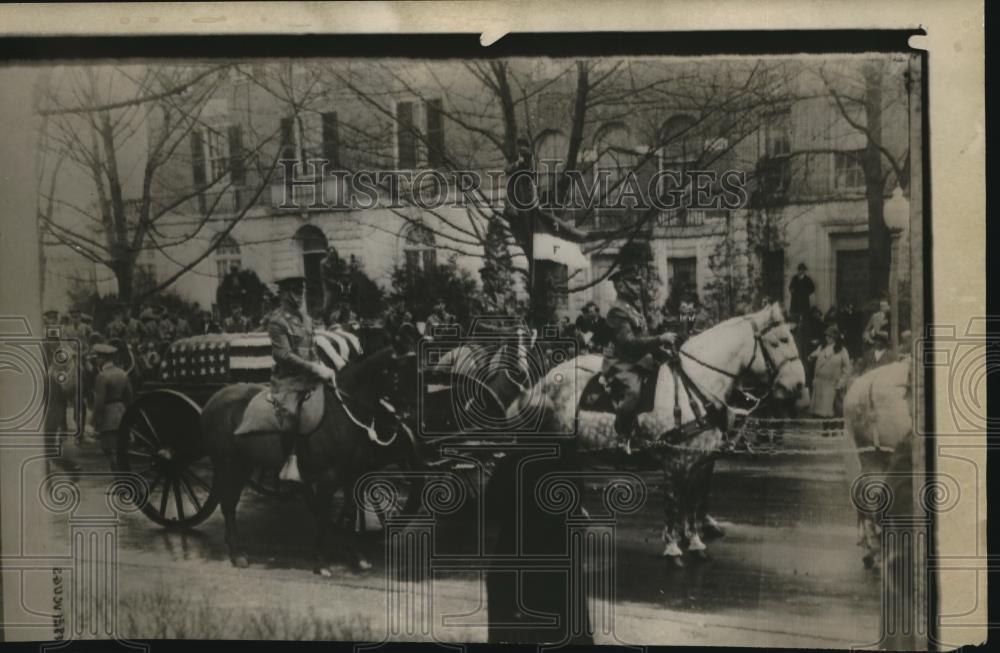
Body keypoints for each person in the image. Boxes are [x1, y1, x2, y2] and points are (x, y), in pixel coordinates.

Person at [602, 241, 677, 443]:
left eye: (637, 282)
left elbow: (644, 338)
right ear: (619, 285)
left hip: (639, 361)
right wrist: (660, 339)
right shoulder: (617, 310)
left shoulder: (634, 309)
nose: (636, 286)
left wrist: (663, 351)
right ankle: (622, 436)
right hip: (622, 364)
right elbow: (629, 343)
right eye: (631, 282)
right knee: (633, 393)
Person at [267, 274, 337, 483]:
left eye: (301, 291)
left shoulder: (306, 320)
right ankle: (291, 460)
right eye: (295, 291)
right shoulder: (277, 321)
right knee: (290, 414)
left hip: (311, 377)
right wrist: (313, 367)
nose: (299, 296)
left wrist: (322, 366)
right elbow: (284, 356)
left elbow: (312, 349)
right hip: (289, 380)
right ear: (285, 293)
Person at [91, 342, 133, 457]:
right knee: (121, 450)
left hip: (108, 416)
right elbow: (129, 396)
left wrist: (95, 421)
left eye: (98, 357)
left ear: (103, 358)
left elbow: (99, 402)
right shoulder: (123, 373)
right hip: (122, 413)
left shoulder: (102, 376)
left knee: (110, 451)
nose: (96, 360)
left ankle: (117, 475)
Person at [808, 325, 852, 429]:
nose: (828, 339)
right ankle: (826, 430)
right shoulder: (822, 348)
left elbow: (847, 369)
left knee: (833, 410)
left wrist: (841, 383)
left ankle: (836, 430)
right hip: (822, 384)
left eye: (831, 337)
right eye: (827, 336)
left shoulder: (842, 350)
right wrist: (812, 356)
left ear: (836, 338)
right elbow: (811, 358)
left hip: (833, 384)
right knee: (823, 411)